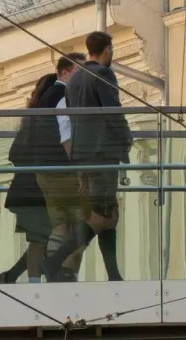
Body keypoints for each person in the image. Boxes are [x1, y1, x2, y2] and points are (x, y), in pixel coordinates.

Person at [48, 31, 133, 281]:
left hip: (84, 153)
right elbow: (113, 112)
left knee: (109, 211)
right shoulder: (103, 74)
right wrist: (126, 139)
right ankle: (53, 261)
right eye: (111, 50)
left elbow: (73, 118)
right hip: (103, 152)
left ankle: (113, 274)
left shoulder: (74, 79)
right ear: (106, 49)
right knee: (102, 214)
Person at [13, 54, 83, 283]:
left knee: (59, 224)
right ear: (64, 72)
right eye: (79, 70)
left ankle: (54, 271)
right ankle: (64, 272)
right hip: (62, 169)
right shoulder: (64, 95)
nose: (83, 76)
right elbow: (66, 132)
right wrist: (78, 166)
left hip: (43, 171)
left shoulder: (43, 99)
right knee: (83, 223)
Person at [0, 74, 57, 284]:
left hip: (25, 189)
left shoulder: (29, 118)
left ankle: (13, 275)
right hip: (35, 190)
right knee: (41, 240)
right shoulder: (45, 119)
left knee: (44, 238)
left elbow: (15, 154)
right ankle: (32, 284)